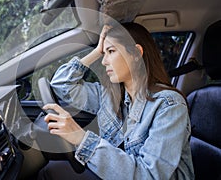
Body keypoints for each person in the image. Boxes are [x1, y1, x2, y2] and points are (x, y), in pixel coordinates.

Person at [38, 22, 194, 179]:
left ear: (135, 53)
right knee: (50, 170)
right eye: (103, 53)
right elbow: (61, 85)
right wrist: (97, 51)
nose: (104, 61)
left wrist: (80, 137)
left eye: (111, 51)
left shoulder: (168, 106)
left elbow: (149, 175)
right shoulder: (109, 96)